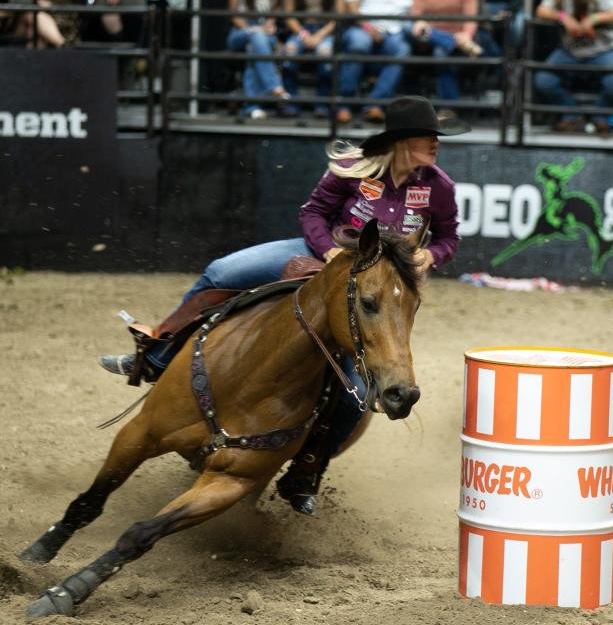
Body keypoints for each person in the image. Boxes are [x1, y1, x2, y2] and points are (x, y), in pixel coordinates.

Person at [99, 96, 468, 514]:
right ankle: (157, 355)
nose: (436, 144)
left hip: (376, 287)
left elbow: (448, 237)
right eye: (427, 137)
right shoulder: (353, 169)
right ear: (402, 141)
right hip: (321, 257)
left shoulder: (438, 187)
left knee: (353, 395)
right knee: (222, 271)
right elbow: (314, 212)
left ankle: (308, 470)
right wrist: (328, 249)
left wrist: (431, 256)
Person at [532, 0, 613, 133]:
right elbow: (540, 11)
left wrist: (594, 18)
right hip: (570, 52)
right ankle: (572, 116)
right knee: (544, 80)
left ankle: (601, 118)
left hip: (603, 50)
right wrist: (564, 17)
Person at [337, 0, 416, 123]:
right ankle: (344, 104)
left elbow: (417, 7)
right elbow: (352, 4)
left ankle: (375, 104)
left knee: (402, 49)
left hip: (396, 29)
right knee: (359, 43)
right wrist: (368, 27)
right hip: (362, 26)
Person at [408, 0, 483, 112]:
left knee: (440, 51)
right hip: (429, 39)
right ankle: (452, 42)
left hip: (460, 36)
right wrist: (420, 23)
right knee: (410, 28)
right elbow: (416, 15)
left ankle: (448, 107)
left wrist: (467, 36)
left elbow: (471, 17)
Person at [226, 0, 291, 120]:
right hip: (241, 31)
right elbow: (233, 16)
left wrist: (268, 26)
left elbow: (273, 16)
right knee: (256, 37)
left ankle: (252, 107)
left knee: (255, 46)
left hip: (265, 35)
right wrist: (255, 28)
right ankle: (274, 86)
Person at [280, 0, 346, 117]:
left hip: (325, 29)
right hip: (301, 28)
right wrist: (304, 35)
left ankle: (321, 104)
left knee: (325, 51)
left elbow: (339, 17)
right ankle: (291, 102)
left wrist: (319, 35)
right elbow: (289, 16)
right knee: (289, 50)